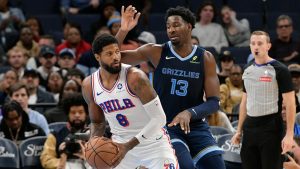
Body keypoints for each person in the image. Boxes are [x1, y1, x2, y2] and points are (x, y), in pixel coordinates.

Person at [120, 6, 225, 169]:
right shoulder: (156, 51)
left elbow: (214, 102)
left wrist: (189, 113)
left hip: (195, 126)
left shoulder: (205, 58)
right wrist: (123, 30)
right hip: (166, 125)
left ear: (189, 26)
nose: (171, 30)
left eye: (176, 25)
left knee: (217, 166)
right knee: (185, 166)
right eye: (168, 26)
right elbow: (111, 57)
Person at [81, 5, 178, 169]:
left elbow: (160, 119)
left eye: (117, 52)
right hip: (118, 148)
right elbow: (97, 123)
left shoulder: (135, 77)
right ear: (97, 57)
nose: (116, 57)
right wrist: (92, 146)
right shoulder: (89, 85)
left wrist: (128, 146)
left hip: (153, 145)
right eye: (109, 54)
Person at [231, 31, 296, 169]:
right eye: (253, 43)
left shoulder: (280, 70)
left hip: (271, 128)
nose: (256, 47)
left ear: (268, 46)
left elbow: (290, 104)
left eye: (260, 43)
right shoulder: (247, 69)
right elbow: (244, 102)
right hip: (249, 129)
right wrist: (239, 130)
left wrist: (289, 134)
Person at [40, 93, 91, 169]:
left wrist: (85, 157)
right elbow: (46, 160)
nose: (77, 115)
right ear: (67, 114)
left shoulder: (92, 135)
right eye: (73, 112)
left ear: (86, 114)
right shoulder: (55, 135)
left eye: (80, 112)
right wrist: (63, 159)